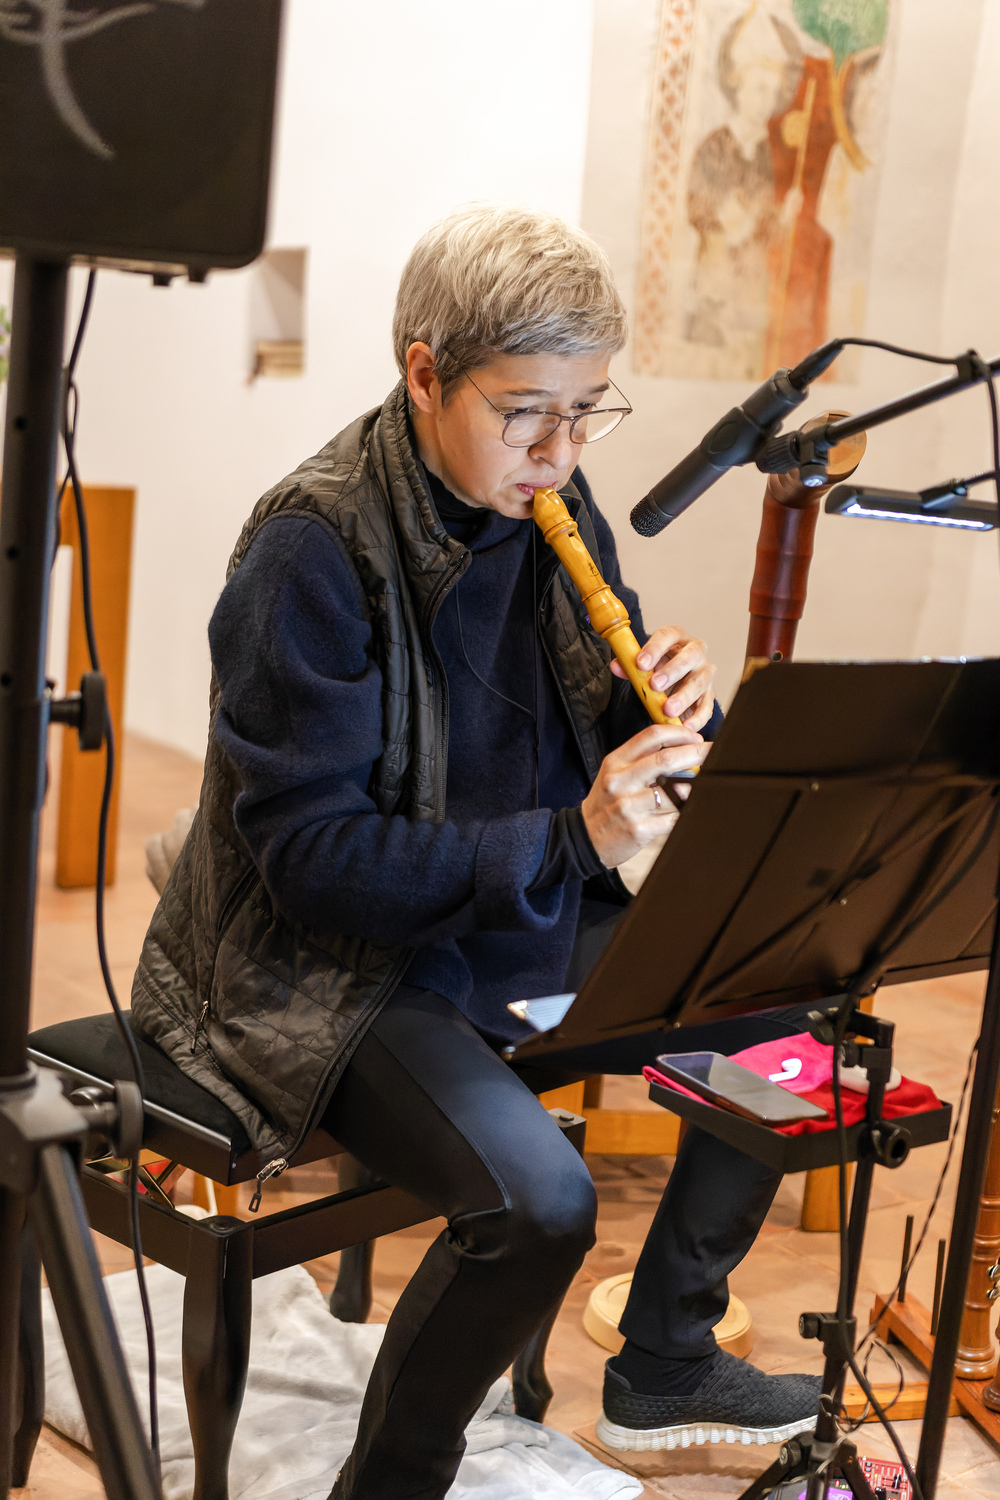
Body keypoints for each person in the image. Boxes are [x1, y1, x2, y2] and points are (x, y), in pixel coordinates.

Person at [132, 204, 820, 1499]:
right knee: (541, 1204)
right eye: (526, 414)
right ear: (424, 373)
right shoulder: (312, 548)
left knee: (786, 1010)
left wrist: (683, 713)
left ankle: (668, 1354)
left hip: (509, 917)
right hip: (330, 973)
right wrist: (576, 837)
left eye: (587, 412)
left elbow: (608, 736)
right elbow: (313, 862)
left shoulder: (551, 494)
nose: (561, 452)